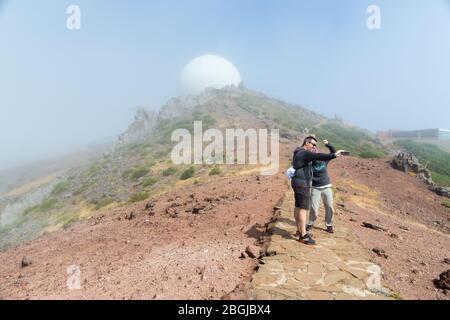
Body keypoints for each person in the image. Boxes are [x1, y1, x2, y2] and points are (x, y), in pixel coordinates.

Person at [291, 136, 344, 245]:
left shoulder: (300, 153)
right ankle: (303, 235)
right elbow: (317, 155)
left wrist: (329, 145)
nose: (314, 147)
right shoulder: (304, 154)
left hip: (305, 183)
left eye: (316, 145)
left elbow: (318, 156)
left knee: (299, 207)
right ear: (306, 142)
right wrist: (334, 155)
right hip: (303, 183)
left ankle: (299, 230)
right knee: (304, 209)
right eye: (313, 144)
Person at [307, 139, 337, 234]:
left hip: (326, 186)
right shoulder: (309, 163)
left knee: (329, 207)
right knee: (314, 208)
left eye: (317, 154)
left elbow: (333, 153)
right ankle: (311, 223)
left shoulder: (325, 160)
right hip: (315, 187)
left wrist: (328, 144)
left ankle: (329, 225)